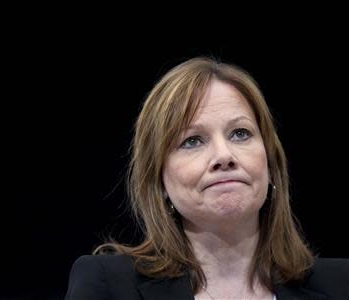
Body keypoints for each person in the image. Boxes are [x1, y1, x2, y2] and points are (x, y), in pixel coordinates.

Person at [64, 57, 349, 299]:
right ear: (159, 179)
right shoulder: (108, 285)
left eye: (240, 133)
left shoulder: (341, 285)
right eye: (192, 140)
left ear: (271, 163)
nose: (224, 155)